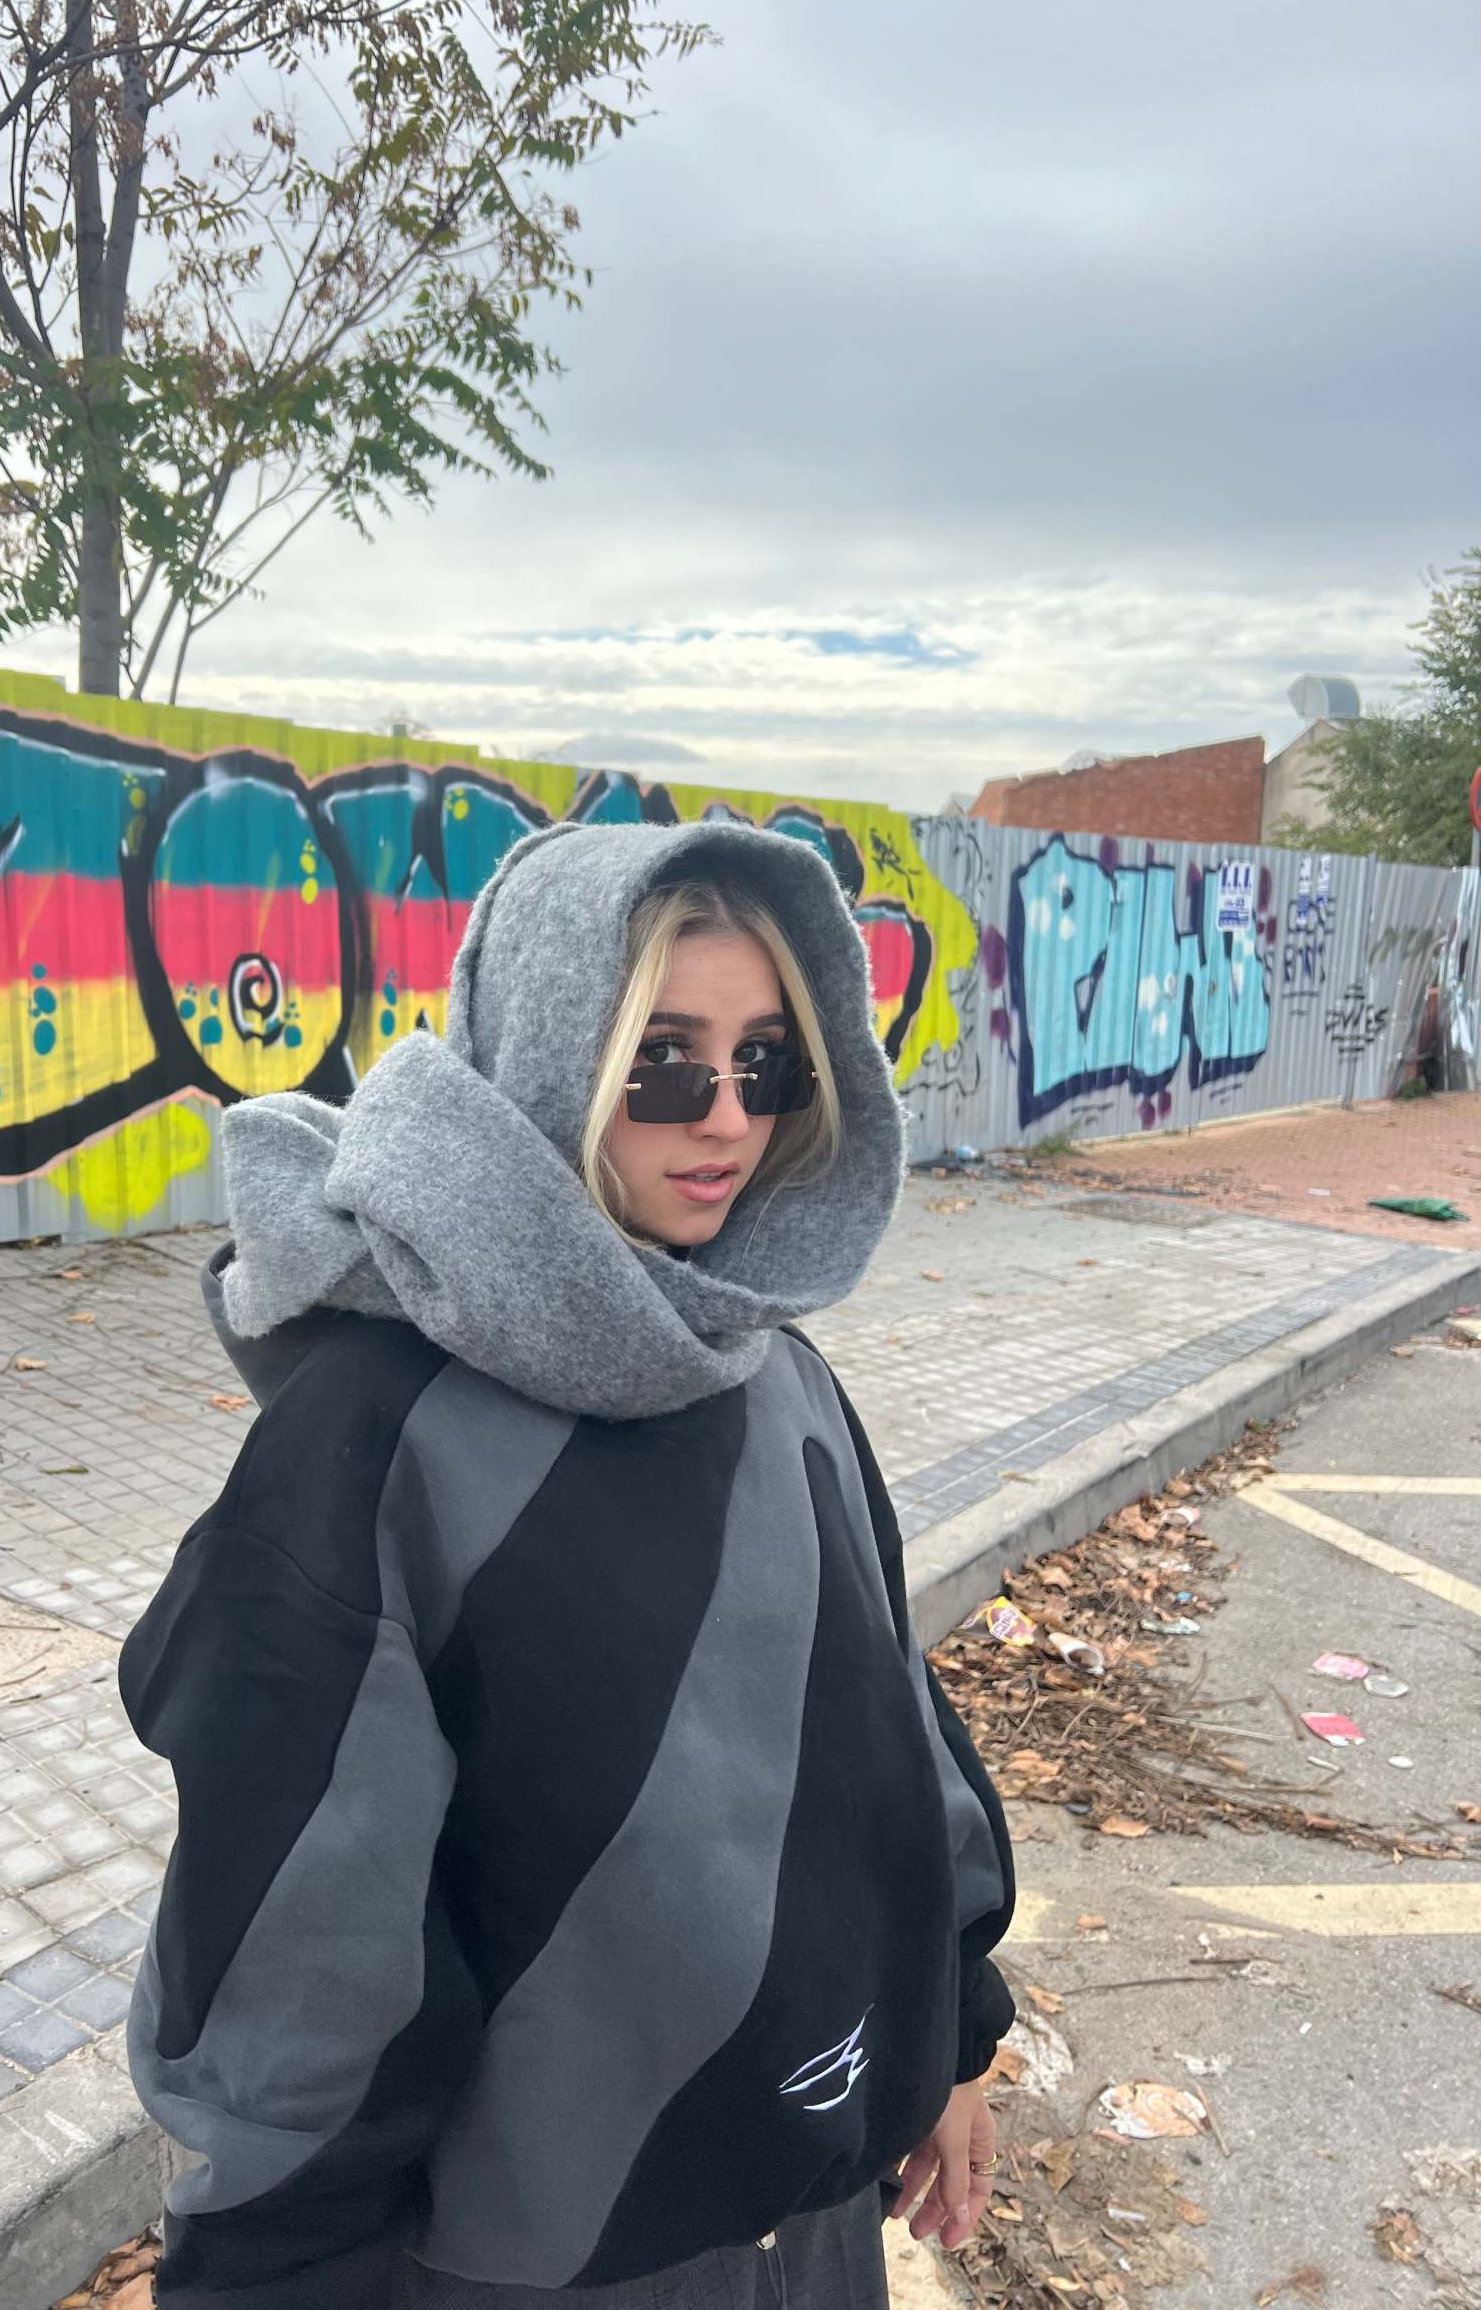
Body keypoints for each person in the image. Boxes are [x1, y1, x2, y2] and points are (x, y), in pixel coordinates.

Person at [118, 818, 1017, 2310]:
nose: (724, 1118)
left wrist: (953, 2032)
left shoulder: (771, 1371)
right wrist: (272, 2268)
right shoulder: (375, 1435)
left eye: (766, 1064)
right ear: (554, 1057)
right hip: (539, 2262)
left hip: (808, 2218)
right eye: (662, 1062)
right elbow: (295, 1943)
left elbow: (884, 1730)